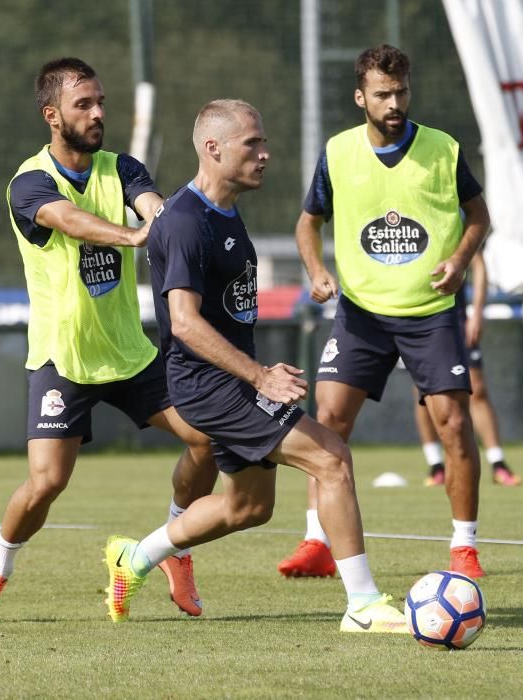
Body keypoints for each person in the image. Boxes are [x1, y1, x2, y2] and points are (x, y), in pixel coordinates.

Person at [102, 99, 407, 633]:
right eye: (252, 144)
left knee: (248, 507)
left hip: (224, 380)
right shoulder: (184, 222)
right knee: (332, 458)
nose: (265, 154)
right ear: (212, 148)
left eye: (264, 142)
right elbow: (186, 323)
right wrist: (259, 375)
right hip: (208, 383)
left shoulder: (223, 211)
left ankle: (134, 559)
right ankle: (363, 605)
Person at [0, 57, 216, 626]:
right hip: (63, 357)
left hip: (129, 352)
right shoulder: (28, 182)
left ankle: (173, 547)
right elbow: (67, 219)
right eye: (84, 104)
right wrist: (133, 234)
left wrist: (168, 220)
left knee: (206, 441)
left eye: (101, 101)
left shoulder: (122, 167)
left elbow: (155, 208)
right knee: (47, 482)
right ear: (53, 116)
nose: (98, 112)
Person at [277, 45, 489, 581]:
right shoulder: (338, 152)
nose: (394, 103)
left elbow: (478, 216)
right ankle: (317, 542)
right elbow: (308, 223)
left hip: (430, 310)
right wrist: (316, 271)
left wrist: (461, 260)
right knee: (326, 421)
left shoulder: (442, 149)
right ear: (360, 97)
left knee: (455, 422)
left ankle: (464, 548)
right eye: (382, 94)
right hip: (362, 312)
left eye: (401, 93)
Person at [417, 251, 522, 488]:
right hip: (412, 320)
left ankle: (498, 463)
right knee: (422, 393)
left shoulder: (456, 216)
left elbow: (479, 263)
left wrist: (477, 313)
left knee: (477, 388)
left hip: (454, 319)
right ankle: (435, 465)